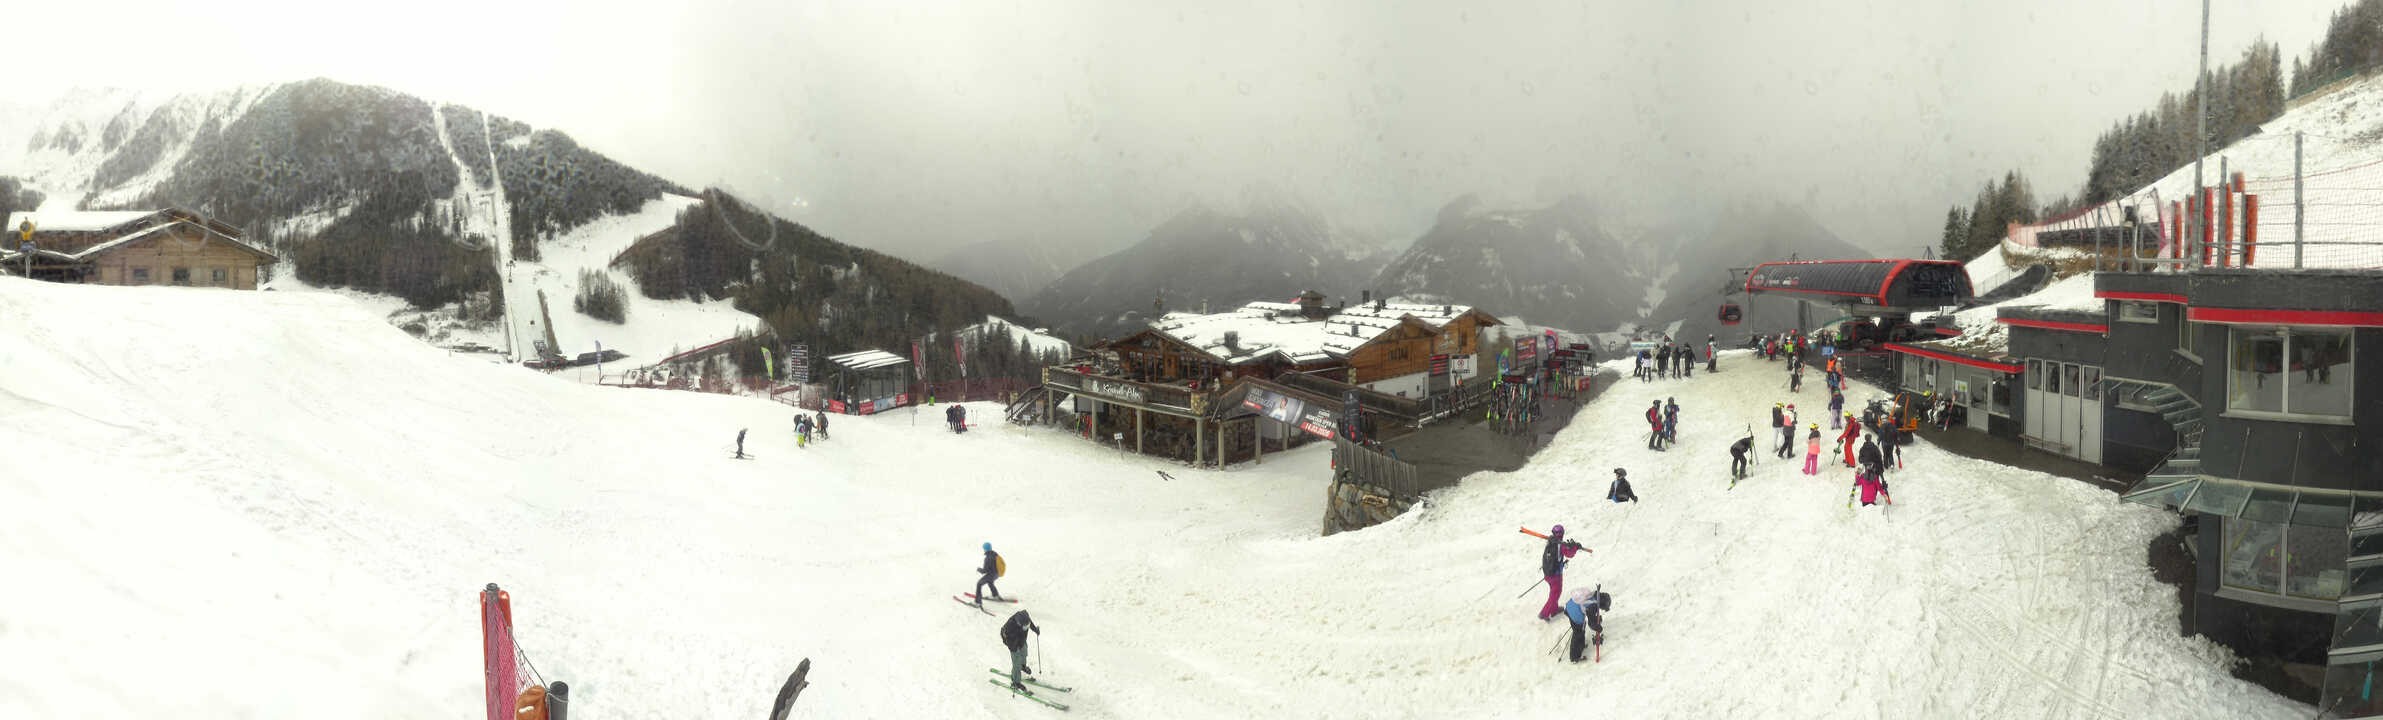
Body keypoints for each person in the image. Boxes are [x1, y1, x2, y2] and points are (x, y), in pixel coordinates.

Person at [1537, 525, 1583, 620]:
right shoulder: (1560, 545)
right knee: (1555, 594)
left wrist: (1571, 546)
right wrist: (1575, 548)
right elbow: (1569, 554)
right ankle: (1544, 613)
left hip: (1548, 574)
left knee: (1553, 592)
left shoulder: (1550, 542)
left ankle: (1554, 610)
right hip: (1555, 576)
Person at [1563, 587, 1611, 663]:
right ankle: (1574, 657)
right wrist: (1598, 628)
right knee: (1578, 633)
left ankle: (1580, 646)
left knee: (1581, 629)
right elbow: (1591, 623)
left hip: (1570, 605)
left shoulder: (1595, 595)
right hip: (1574, 612)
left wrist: (1595, 619)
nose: (1602, 609)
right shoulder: (1593, 606)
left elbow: (1589, 612)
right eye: (1603, 608)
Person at [999, 610, 1041, 691]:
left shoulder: (1024, 617)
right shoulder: (1010, 627)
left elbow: (1029, 623)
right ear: (1019, 623)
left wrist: (1035, 629)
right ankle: (1015, 682)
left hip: (1020, 638)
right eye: (1025, 626)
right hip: (1011, 641)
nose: (1027, 627)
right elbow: (1009, 640)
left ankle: (1022, 666)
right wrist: (1015, 647)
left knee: (1024, 651)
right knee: (1017, 661)